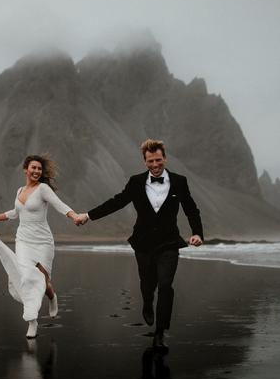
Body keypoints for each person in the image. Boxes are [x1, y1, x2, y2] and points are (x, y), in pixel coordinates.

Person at [74, 139, 203, 352]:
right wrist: (88, 215)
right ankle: (146, 302)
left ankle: (160, 333)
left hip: (169, 243)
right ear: (145, 162)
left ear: (165, 158)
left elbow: (191, 209)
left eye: (158, 160)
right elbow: (116, 202)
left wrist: (197, 233)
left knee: (165, 285)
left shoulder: (180, 181)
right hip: (143, 243)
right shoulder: (135, 182)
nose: (155, 165)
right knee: (147, 282)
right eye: (151, 161)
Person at [0, 155, 81, 339]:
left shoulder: (43, 189)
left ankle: (52, 298)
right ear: (25, 169)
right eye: (33, 168)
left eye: (39, 169)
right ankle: (32, 321)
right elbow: (15, 213)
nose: (36, 171)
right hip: (23, 241)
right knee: (28, 279)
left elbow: (59, 205)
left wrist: (74, 216)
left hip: (43, 242)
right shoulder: (20, 190)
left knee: (43, 282)